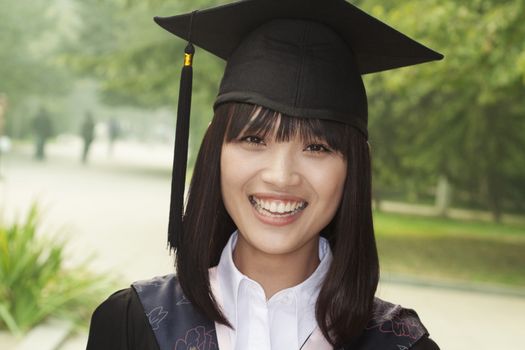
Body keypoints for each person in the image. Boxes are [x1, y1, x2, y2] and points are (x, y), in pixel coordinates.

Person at [87, 0, 443, 349]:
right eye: (254, 139)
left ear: (353, 168)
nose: (281, 176)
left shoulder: (397, 344)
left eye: (317, 147)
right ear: (216, 152)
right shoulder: (131, 325)